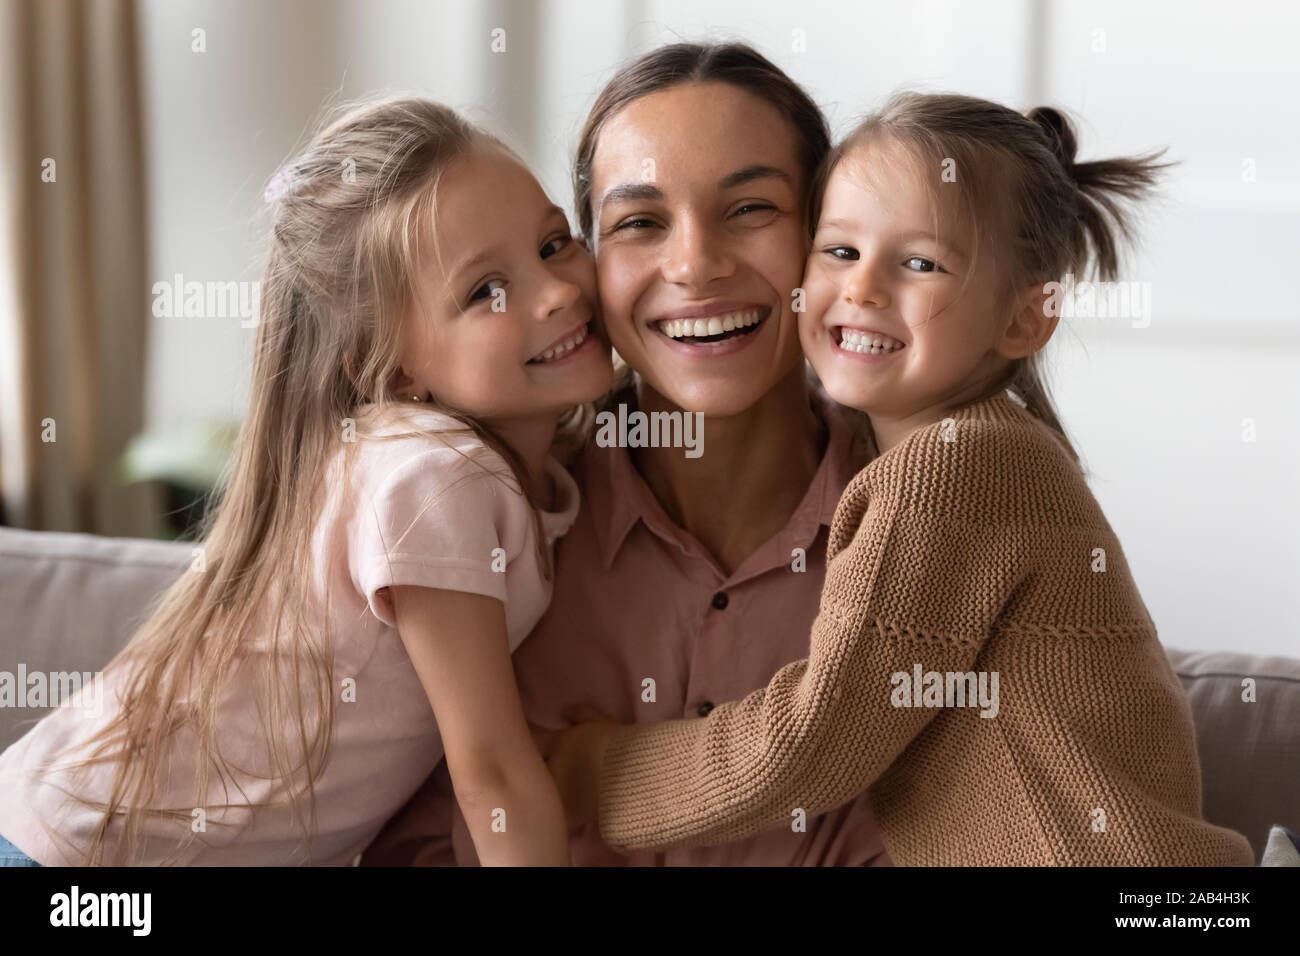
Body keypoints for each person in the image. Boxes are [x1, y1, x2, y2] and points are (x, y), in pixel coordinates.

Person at [543, 92, 1257, 866]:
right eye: (842, 252)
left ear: (1023, 320)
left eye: (919, 263)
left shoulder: (955, 468)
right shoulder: (974, 457)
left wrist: (596, 770)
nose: (864, 290)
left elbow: (818, 737)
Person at [0, 95, 613, 866]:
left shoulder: (514, 469)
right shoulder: (434, 478)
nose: (556, 291)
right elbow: (492, 774)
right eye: (485, 291)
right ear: (393, 371)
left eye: (556, 243)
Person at [362, 43, 892, 866]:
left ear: (826, 236)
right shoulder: (488, 530)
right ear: (591, 264)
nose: (696, 265)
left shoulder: (927, 532)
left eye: (750, 208)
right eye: (640, 223)